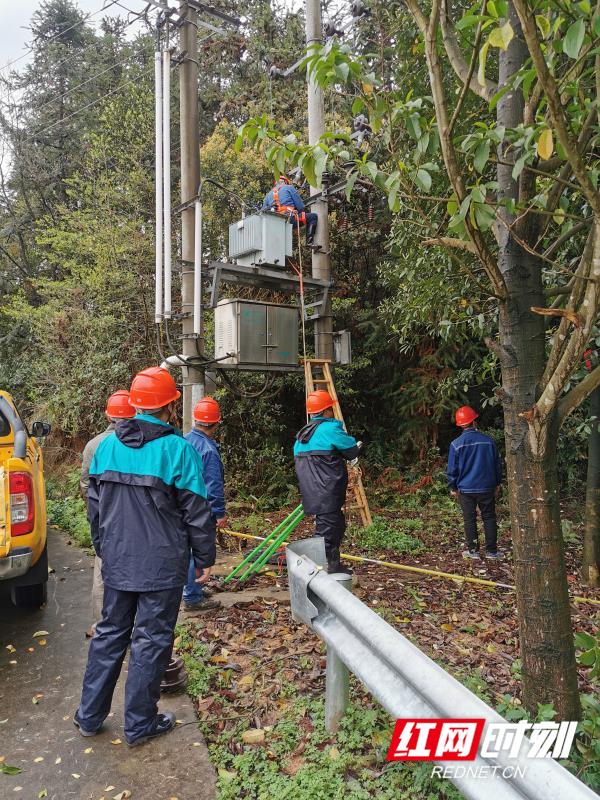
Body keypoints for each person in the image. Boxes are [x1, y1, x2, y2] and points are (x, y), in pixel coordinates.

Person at [74, 367, 215, 746]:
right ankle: (139, 724)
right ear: (170, 406)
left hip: (118, 560)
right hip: (162, 566)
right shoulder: (178, 450)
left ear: (135, 405)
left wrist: (104, 548)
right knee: (151, 641)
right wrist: (203, 558)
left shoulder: (105, 447)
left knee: (109, 635)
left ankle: (89, 716)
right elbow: (196, 511)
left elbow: (95, 508)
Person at [80, 390, 135, 638]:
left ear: (107, 414)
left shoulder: (94, 445)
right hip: (132, 519)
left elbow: (85, 485)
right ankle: (131, 624)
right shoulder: (138, 441)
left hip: (104, 518)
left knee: (103, 569)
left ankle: (101, 625)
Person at [293, 390, 361, 574]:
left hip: (311, 491)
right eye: (330, 409)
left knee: (334, 525)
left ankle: (331, 564)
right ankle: (326, 570)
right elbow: (351, 451)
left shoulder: (302, 434)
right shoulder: (330, 429)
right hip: (328, 491)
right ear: (326, 411)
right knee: (328, 532)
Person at [182, 396, 228, 613]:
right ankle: (192, 596)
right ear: (216, 423)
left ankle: (195, 588)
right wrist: (219, 513)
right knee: (198, 550)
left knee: (188, 549)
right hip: (201, 508)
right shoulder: (208, 450)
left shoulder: (185, 440)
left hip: (183, 505)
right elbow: (213, 485)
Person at [447, 405, 503, 560]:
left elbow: (452, 469)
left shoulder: (456, 444)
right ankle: (492, 552)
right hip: (487, 487)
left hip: (466, 489)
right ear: (474, 422)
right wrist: (498, 483)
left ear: (460, 424)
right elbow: (497, 464)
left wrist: (452, 486)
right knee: (489, 517)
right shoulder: (488, 442)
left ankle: (473, 552)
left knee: (469, 519)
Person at [262, 174, 319, 246]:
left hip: (275, 222)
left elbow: (263, 212)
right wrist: (298, 212)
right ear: (285, 182)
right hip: (289, 219)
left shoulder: (268, 195)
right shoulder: (289, 188)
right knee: (313, 217)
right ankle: (309, 242)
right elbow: (300, 207)